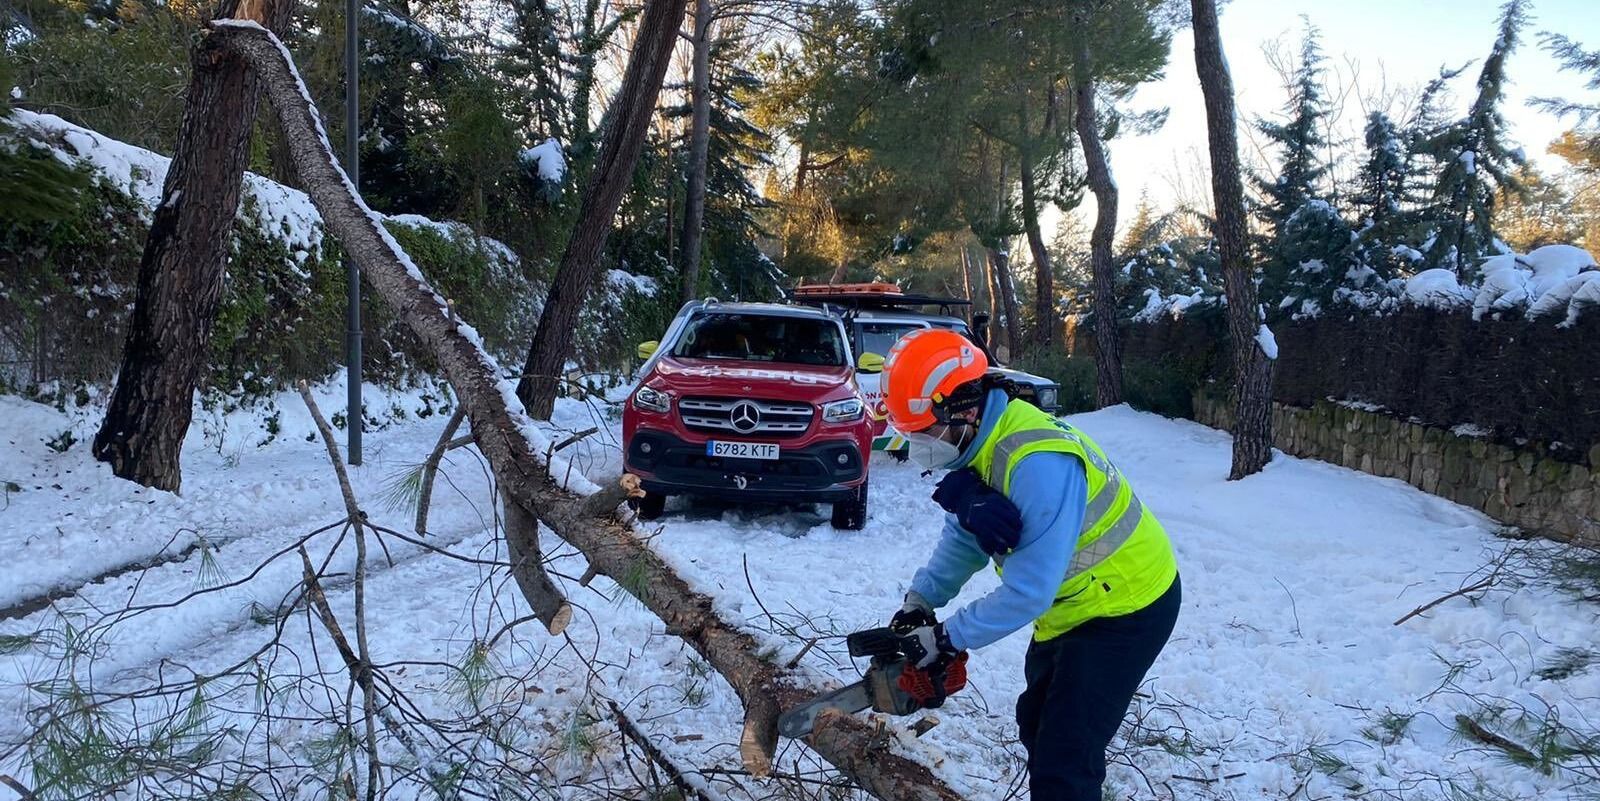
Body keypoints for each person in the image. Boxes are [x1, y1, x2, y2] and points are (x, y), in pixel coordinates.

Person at [881, 328, 1181, 800]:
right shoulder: (976, 445)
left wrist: (946, 638)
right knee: (1036, 723)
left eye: (923, 432)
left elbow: (1029, 592)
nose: (918, 444)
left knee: (1066, 757)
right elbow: (966, 535)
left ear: (963, 407)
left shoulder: (1038, 462)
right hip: (1072, 606)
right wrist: (921, 600)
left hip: (1128, 605)